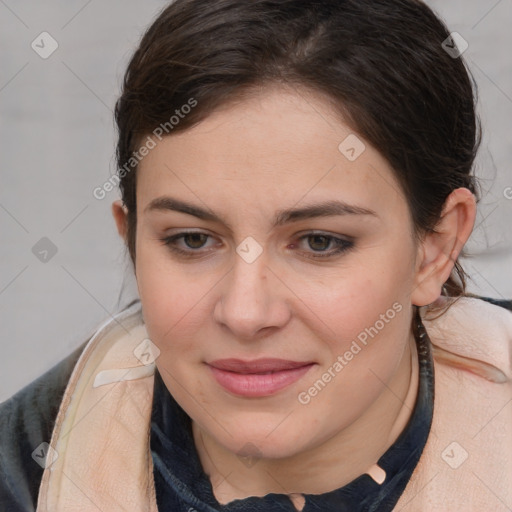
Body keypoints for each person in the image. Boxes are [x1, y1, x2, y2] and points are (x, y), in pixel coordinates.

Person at [1, 0, 511, 511]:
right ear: (131, 241)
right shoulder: (24, 475)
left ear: (435, 249)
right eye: (192, 240)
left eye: (319, 242)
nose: (245, 314)